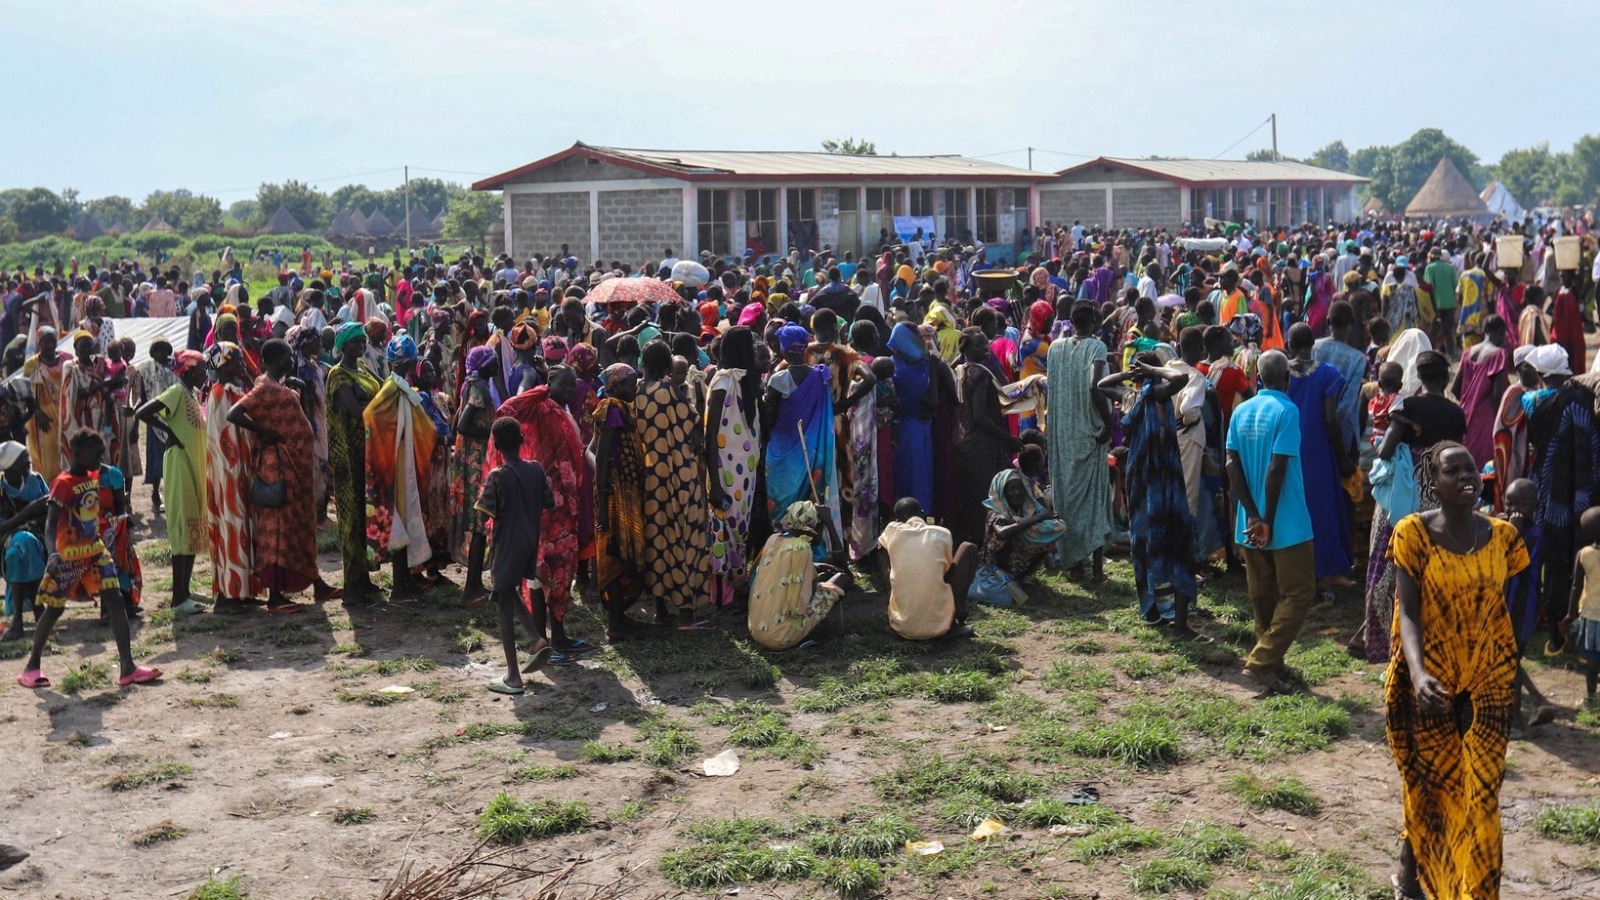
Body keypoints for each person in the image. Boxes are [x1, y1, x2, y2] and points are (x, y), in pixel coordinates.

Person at [1386, 441, 1527, 900]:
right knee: (1432, 787)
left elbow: (1500, 612)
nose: (1467, 476)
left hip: (1487, 684)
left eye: (1471, 468)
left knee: (1482, 796)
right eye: (1453, 470)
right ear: (1434, 481)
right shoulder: (1413, 534)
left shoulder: (1503, 537)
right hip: (1429, 681)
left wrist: (1512, 672)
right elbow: (1409, 614)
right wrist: (1418, 673)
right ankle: (1411, 873)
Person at [17, 429, 161, 689]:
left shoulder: (94, 475)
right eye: (96, 455)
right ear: (78, 454)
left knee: (115, 600)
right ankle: (32, 666)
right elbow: (51, 524)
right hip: (68, 556)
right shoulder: (62, 483)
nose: (100, 460)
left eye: (102, 454)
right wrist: (53, 553)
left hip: (95, 551)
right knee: (54, 609)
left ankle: (127, 668)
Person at [1225, 349, 1315, 694]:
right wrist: (1267, 518)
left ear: (1259, 378)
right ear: (1287, 379)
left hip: (1250, 521)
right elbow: (1277, 467)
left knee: (1261, 594)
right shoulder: (1287, 411)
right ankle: (1263, 661)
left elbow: (1232, 464)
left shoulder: (1241, 410)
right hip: (1285, 520)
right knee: (1299, 592)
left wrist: (1251, 512)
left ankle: (1270, 661)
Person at [228, 339, 335, 613]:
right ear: (277, 360)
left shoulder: (277, 385)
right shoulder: (264, 386)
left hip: (296, 468)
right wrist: (266, 433)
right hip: (277, 469)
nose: (292, 361)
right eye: (288, 357)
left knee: (299, 526)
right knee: (277, 531)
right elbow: (234, 413)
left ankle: (317, 583)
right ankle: (275, 597)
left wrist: (295, 389)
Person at [490, 366, 589, 659]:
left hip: (564, 506)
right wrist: (535, 390)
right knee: (540, 572)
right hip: (543, 507)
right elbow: (507, 410)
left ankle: (558, 635)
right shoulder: (538, 408)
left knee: (562, 571)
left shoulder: (561, 411)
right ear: (550, 382)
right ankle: (542, 640)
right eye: (563, 383)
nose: (569, 388)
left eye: (573, 384)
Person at [1100, 354, 1199, 632]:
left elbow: (1102, 384)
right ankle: (1177, 620)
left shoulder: (1132, 397)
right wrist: (1152, 370)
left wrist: (1129, 374)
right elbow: (1181, 377)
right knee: (1173, 541)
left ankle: (1153, 609)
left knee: (1144, 541)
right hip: (1161, 478)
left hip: (1139, 478)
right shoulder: (1155, 394)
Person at [478, 417, 555, 695]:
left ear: (496, 445)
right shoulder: (535, 469)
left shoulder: (498, 476)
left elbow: (484, 513)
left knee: (502, 598)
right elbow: (549, 502)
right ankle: (534, 641)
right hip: (529, 542)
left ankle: (514, 674)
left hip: (507, 544)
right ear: (522, 440)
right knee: (507, 591)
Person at [635, 340, 710, 626]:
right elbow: (693, 422)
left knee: (657, 537)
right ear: (667, 365)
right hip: (680, 473)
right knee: (685, 535)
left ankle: (660, 608)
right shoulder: (670, 391)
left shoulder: (635, 391)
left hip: (652, 475)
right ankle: (686, 611)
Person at [364, 336, 439, 602]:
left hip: (404, 461)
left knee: (407, 520)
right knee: (400, 521)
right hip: (397, 464)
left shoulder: (401, 386)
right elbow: (371, 415)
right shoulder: (392, 388)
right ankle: (399, 588)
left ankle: (406, 581)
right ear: (412, 361)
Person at [134, 350, 208, 614]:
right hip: (180, 464)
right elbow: (143, 412)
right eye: (202, 368)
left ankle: (185, 590)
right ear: (189, 370)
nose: (205, 373)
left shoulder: (192, 394)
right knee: (182, 526)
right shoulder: (176, 392)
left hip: (193, 465)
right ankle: (178, 598)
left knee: (192, 525)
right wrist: (169, 432)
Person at [1047, 302, 1113, 581]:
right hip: (1090, 430)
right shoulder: (1096, 347)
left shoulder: (1054, 348)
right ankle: (1096, 569)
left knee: (1067, 496)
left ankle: (1073, 564)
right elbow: (1095, 385)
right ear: (1094, 322)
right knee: (1094, 497)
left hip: (1062, 432)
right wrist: (1108, 423)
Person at [1285, 323, 1353, 589]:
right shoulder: (1327, 374)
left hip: (1287, 447)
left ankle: (1295, 570)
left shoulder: (1280, 372)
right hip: (1317, 450)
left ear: (1290, 345)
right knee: (1323, 507)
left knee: (1293, 507)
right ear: (1313, 344)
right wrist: (1342, 455)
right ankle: (1328, 570)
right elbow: (1330, 419)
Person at [592, 363, 654, 639]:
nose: (635, 387)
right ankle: (615, 623)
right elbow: (601, 455)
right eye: (630, 383)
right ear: (615, 386)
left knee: (626, 551)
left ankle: (621, 617)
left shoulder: (624, 409)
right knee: (615, 552)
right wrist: (603, 501)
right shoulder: (612, 408)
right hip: (615, 492)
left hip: (627, 491)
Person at [705, 326, 762, 609]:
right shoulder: (723, 382)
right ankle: (723, 595)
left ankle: (737, 585)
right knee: (724, 528)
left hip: (745, 472)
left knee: (740, 529)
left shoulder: (745, 380)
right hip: (724, 470)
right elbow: (710, 434)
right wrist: (715, 483)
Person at [326, 322, 382, 604]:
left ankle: (364, 578)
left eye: (362, 341)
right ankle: (350, 586)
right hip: (347, 454)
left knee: (364, 514)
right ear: (343, 346)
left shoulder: (362, 368)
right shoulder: (337, 375)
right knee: (350, 518)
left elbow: (383, 388)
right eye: (355, 342)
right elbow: (356, 411)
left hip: (367, 452)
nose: (360, 346)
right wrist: (383, 409)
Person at [746, 500, 848, 650]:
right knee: (842, 579)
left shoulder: (774, 539)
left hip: (756, 630)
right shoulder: (802, 549)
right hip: (781, 638)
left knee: (821, 576)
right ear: (814, 527)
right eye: (820, 527)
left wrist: (814, 568)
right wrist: (830, 524)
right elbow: (802, 600)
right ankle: (803, 636)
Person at [202, 342, 258, 612]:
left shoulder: (226, 392)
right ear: (224, 365)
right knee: (232, 526)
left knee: (238, 526)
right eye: (236, 360)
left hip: (233, 470)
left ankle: (241, 589)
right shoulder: (223, 393)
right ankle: (228, 594)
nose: (242, 364)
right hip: (229, 471)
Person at [877, 496, 976, 640]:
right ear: (922, 514)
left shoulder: (892, 530)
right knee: (968, 548)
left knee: (887, 558)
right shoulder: (942, 533)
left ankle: (896, 612)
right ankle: (954, 621)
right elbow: (945, 569)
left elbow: (881, 546)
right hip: (941, 628)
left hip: (902, 627)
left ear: (897, 520)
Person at [1502, 478, 1556, 728]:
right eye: (1509, 503)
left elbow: (1517, 564)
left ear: (1535, 506)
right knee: (1507, 658)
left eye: (1520, 504)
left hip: (1521, 606)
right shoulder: (1504, 526)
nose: (1514, 509)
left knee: (1509, 660)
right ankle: (1537, 701)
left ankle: (1517, 718)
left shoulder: (1534, 534)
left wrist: (1512, 532)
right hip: (1503, 603)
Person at [970, 468, 1067, 608]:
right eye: (1011, 489)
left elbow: (1057, 524)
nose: (1017, 492)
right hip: (992, 567)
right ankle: (1008, 580)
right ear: (1002, 491)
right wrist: (1036, 519)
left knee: (1046, 535)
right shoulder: (994, 508)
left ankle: (1021, 578)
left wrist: (1021, 522)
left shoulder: (1028, 506)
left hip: (1015, 563)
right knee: (1004, 597)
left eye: (1020, 488)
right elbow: (1002, 533)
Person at [452, 345, 498, 602]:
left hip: (473, 459)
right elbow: (463, 424)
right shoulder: (478, 387)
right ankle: (472, 587)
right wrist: (493, 432)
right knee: (479, 521)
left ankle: (475, 583)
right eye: (493, 361)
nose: (497, 365)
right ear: (485, 365)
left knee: (478, 520)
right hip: (477, 461)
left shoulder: (471, 384)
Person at [0, 441, 48, 641]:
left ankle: (18, 621)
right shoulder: (1, 490)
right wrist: (28, 512)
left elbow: (51, 509)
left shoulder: (36, 480)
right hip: (7, 542)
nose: (28, 461)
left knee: (19, 550)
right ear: (9, 466)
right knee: (20, 545)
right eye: (22, 459)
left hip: (41, 538)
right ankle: (38, 610)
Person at [1453, 315, 1512, 468]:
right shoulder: (1499, 354)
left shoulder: (1468, 353)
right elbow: (1497, 394)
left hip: (1465, 416)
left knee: (1467, 463)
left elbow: (1455, 388)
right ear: (1502, 333)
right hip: (1487, 419)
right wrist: (1504, 420)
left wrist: (1470, 400)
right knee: (1486, 466)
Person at [887, 322, 933, 514]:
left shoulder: (891, 365)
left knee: (912, 472)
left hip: (909, 425)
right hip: (912, 425)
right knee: (914, 472)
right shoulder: (925, 364)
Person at [131, 338, 179, 515]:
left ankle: (172, 495)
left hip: (173, 418)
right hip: (155, 422)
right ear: (153, 354)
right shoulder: (146, 370)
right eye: (157, 351)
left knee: (174, 459)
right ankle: (155, 494)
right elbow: (143, 397)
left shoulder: (175, 368)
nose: (161, 355)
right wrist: (135, 414)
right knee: (157, 460)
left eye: (164, 351)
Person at [1491, 347, 1539, 511]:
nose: (1534, 370)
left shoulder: (1537, 392)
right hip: (1513, 452)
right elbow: (1505, 426)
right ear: (1519, 369)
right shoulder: (1514, 393)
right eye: (1528, 366)